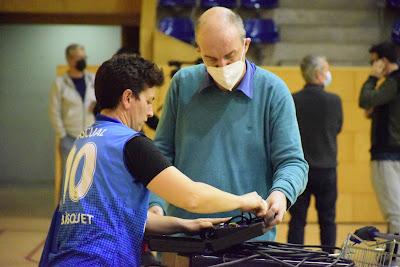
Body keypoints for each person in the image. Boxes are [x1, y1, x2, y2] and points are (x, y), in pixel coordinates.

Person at [39, 54, 268, 267]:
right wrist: (242, 201)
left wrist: (184, 224)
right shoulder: (130, 144)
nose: (150, 112)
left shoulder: (84, 139)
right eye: (149, 101)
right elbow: (192, 197)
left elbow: (119, 216)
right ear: (128, 98)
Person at [149, 7, 309, 241]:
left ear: (245, 45)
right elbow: (162, 154)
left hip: (250, 237)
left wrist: (282, 193)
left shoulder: (274, 91)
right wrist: (156, 204)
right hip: (184, 235)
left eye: (230, 56)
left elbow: (293, 162)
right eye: (211, 59)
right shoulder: (182, 83)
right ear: (198, 50)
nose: (222, 66)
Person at [287, 55, 343, 253]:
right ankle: (328, 259)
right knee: (327, 220)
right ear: (319, 74)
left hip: (300, 169)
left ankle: (293, 259)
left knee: (297, 220)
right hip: (327, 169)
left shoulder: (293, 100)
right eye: (327, 69)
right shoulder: (334, 101)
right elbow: (337, 128)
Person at [359, 42, 400, 235]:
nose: (372, 66)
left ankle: (396, 259)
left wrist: (372, 78)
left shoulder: (393, 81)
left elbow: (365, 100)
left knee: (395, 213)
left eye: (373, 62)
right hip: (393, 153)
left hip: (388, 155)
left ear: (383, 61)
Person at [49, 44, 96, 167]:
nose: (83, 60)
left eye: (84, 57)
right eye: (78, 57)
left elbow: (104, 102)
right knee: (71, 177)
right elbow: (54, 111)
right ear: (69, 59)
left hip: (92, 135)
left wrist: (98, 106)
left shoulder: (93, 79)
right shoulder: (60, 83)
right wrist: (62, 135)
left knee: (90, 176)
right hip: (70, 137)